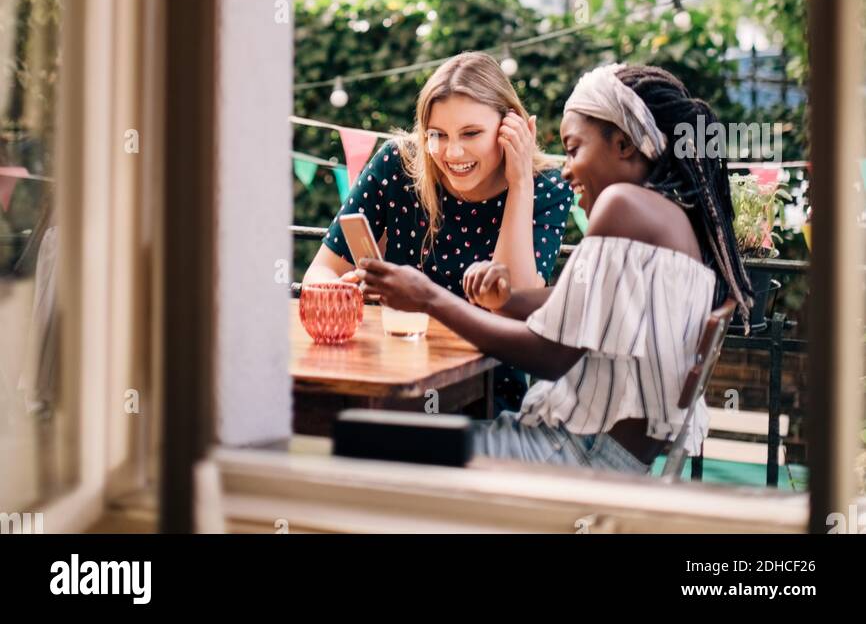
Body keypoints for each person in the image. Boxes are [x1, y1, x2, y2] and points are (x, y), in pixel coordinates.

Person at [357, 62, 755, 476]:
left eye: (573, 148)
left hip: (565, 454)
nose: (565, 169)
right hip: (597, 456)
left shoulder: (624, 207)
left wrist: (428, 297)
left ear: (623, 144)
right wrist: (508, 300)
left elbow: (548, 355)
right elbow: (584, 309)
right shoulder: (672, 219)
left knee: (366, 440)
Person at [302, 51, 572, 411]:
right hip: (393, 374)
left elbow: (513, 309)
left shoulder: (546, 188)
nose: (453, 152)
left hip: (485, 392)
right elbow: (320, 271)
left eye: (471, 133)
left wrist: (519, 183)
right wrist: (340, 294)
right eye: (438, 135)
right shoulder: (398, 164)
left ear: (512, 128)